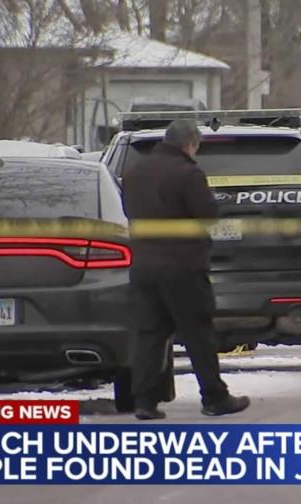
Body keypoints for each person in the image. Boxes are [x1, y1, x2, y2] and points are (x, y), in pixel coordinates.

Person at [121, 119, 250, 420]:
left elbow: (129, 211)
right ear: (190, 144)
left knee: (151, 333)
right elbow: (207, 214)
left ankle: (144, 401)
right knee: (198, 332)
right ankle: (214, 397)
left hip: (144, 265)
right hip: (182, 266)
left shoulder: (134, 172)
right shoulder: (188, 173)